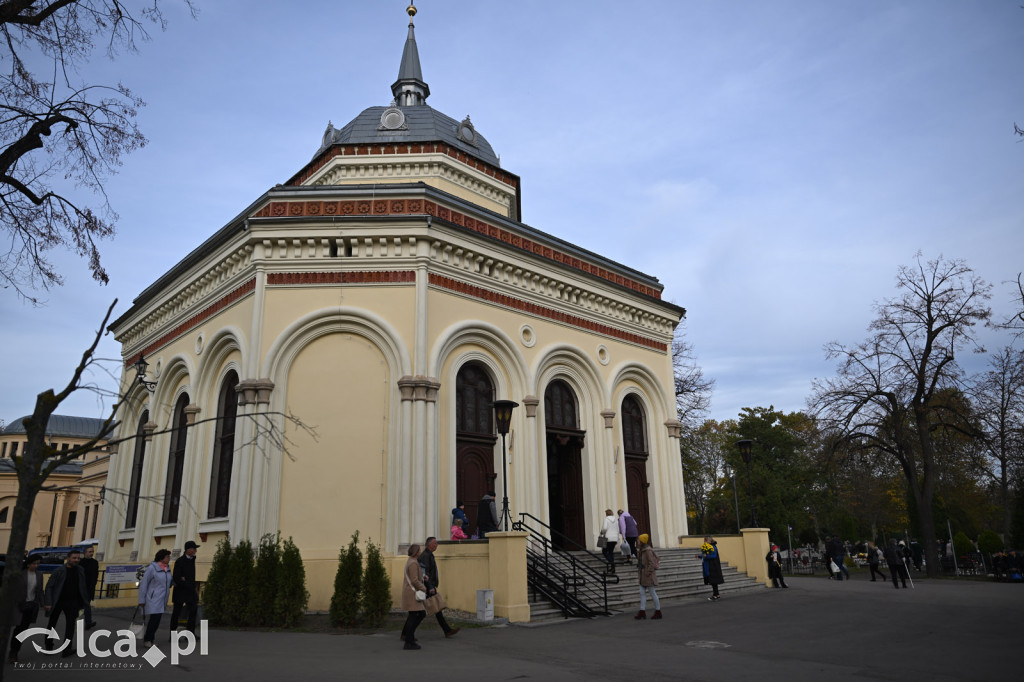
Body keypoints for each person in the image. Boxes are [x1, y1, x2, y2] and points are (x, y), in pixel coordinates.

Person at [42, 549, 89, 656]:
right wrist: (48, 602)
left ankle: (67, 649)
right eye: (74, 558)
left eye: (78, 558)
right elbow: (49, 587)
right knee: (52, 624)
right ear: (68, 558)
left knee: (71, 626)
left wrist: (83, 601)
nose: (76, 560)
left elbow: (82, 586)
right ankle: (48, 646)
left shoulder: (80, 570)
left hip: (73, 602)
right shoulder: (59, 571)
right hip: (57, 601)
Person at [418, 537, 460, 638]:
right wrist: (430, 587)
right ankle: (406, 633)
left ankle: (447, 630)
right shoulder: (425, 556)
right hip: (427, 587)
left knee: (436, 609)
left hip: (429, 586)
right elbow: (425, 574)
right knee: (421, 612)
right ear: (429, 545)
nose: (437, 545)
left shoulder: (429, 555)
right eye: (435, 543)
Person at [8, 555, 45, 664]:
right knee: (17, 629)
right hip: (19, 605)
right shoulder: (20, 574)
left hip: (30, 606)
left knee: (22, 630)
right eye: (34, 563)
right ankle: (12, 652)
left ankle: (14, 651)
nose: (36, 565)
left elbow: (39, 591)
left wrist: (43, 604)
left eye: (38, 563)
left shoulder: (39, 575)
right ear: (28, 564)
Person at [138, 549, 174, 647]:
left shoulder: (167, 568)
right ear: (161, 558)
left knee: (157, 620)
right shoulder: (152, 568)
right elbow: (144, 584)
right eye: (167, 557)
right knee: (154, 619)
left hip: (163, 598)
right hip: (153, 598)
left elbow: (168, 581)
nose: (169, 558)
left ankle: (150, 639)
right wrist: (141, 600)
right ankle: (148, 640)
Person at [400, 544, 427, 650]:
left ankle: (408, 637)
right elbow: (414, 580)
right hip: (412, 593)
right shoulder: (413, 563)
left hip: (411, 592)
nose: (420, 552)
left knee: (416, 614)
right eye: (419, 551)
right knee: (417, 615)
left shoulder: (411, 561)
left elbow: (415, 577)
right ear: (416, 552)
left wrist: (424, 577)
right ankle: (408, 640)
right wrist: (424, 588)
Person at [171, 541, 200, 636]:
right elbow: (177, 577)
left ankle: (190, 634)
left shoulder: (192, 560)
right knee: (176, 613)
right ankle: (173, 635)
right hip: (180, 592)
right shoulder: (180, 561)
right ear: (188, 550)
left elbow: (187, 577)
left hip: (190, 592)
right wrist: (184, 581)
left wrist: (186, 580)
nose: (195, 551)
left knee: (193, 612)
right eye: (194, 548)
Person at [634, 533, 662, 619]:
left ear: (642, 541)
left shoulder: (648, 551)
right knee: (642, 593)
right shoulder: (641, 550)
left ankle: (658, 611)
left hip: (648, 576)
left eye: (639, 540)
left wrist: (647, 572)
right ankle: (642, 612)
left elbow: (651, 563)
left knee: (652, 593)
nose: (637, 541)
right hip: (643, 575)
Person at [80, 544, 100, 629]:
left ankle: (88, 623)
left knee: (87, 606)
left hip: (89, 588)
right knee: (79, 606)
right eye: (90, 552)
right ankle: (73, 622)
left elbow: (95, 575)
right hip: (80, 588)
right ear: (85, 553)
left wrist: (93, 586)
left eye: (92, 551)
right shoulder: (80, 563)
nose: (91, 553)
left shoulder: (95, 563)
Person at [699, 536, 724, 601]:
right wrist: (699, 556)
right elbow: (706, 555)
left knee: (713, 581)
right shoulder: (707, 547)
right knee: (713, 581)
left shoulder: (713, 547)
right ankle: (716, 594)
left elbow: (714, 555)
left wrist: (706, 556)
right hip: (710, 565)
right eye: (704, 540)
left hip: (713, 566)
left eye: (705, 540)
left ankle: (715, 595)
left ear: (709, 541)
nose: (704, 541)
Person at [600, 509, 621, 574]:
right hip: (614, 538)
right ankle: (612, 568)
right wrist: (617, 538)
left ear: (606, 514)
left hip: (608, 538)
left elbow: (604, 528)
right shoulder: (616, 520)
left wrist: (601, 533)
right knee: (611, 552)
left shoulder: (606, 519)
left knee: (604, 551)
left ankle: (612, 563)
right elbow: (618, 529)